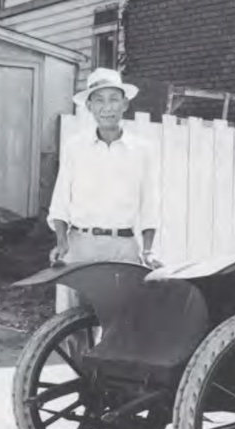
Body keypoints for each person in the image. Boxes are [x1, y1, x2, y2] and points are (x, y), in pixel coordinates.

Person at [48, 67, 162, 312]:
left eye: (113, 99)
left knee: (122, 322)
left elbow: (150, 204)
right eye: (98, 100)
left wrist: (149, 250)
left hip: (123, 248)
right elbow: (60, 201)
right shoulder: (75, 147)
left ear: (125, 105)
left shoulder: (142, 150)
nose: (106, 107)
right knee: (73, 322)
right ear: (89, 106)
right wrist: (61, 242)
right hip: (80, 246)